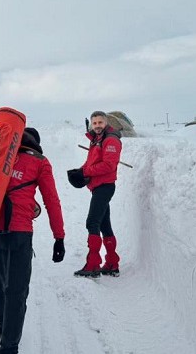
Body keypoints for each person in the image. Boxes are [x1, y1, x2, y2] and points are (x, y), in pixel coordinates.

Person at [0, 127, 65, 354]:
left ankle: (3, 326)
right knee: (16, 289)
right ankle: (9, 345)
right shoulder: (40, 162)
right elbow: (52, 200)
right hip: (20, 234)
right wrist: (58, 236)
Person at [69, 110, 123, 278]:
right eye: (95, 123)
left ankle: (93, 265)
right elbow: (91, 161)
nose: (97, 126)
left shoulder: (110, 140)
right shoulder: (96, 140)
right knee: (104, 224)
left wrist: (87, 172)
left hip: (105, 186)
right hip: (98, 186)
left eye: (100, 122)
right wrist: (82, 170)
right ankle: (112, 263)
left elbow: (108, 165)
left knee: (92, 222)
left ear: (106, 123)